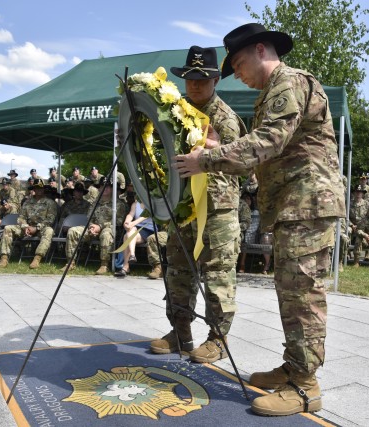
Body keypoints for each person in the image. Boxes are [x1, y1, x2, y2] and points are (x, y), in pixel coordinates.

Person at [173, 25, 345, 416]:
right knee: (291, 292)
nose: (239, 74)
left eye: (238, 63)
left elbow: (267, 141)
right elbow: (267, 155)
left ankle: (305, 386)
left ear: (261, 49)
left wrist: (207, 159)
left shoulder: (289, 83)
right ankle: (293, 368)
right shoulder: (272, 92)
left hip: (308, 204)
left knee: (302, 296)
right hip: (294, 206)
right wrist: (222, 148)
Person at [149, 45, 246, 367]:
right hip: (183, 206)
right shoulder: (177, 112)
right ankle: (180, 333)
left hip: (217, 210)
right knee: (178, 272)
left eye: (203, 78)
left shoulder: (226, 119)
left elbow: (244, 163)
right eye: (190, 77)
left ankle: (218, 340)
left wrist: (212, 149)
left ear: (216, 79)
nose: (195, 84)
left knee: (217, 274)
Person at [63, 177, 127, 275]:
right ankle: (70, 262)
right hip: (92, 229)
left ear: (112, 189)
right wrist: (91, 227)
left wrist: (100, 227)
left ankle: (104, 264)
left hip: (108, 230)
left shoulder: (118, 204)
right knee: (73, 231)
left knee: (106, 234)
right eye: (102, 186)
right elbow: (89, 218)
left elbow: (118, 222)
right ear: (99, 188)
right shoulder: (94, 203)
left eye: (108, 187)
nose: (105, 189)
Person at [0, 179, 58, 269]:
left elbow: (50, 220)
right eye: (36, 188)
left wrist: (37, 228)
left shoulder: (50, 203)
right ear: (33, 189)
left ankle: (37, 258)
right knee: (7, 228)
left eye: (40, 188)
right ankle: (4, 258)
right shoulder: (27, 202)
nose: (39, 190)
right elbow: (21, 217)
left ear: (44, 189)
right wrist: (25, 227)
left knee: (49, 231)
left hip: (41, 228)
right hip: (27, 228)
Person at [114, 200, 158, 277]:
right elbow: (131, 214)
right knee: (129, 233)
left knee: (127, 235)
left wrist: (132, 223)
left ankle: (125, 267)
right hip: (136, 229)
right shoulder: (135, 204)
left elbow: (145, 215)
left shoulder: (151, 203)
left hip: (149, 229)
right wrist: (126, 222)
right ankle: (132, 256)